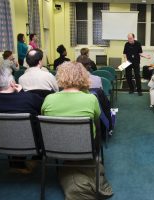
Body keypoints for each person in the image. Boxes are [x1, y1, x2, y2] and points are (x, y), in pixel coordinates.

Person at [41, 61, 113, 199]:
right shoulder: (91, 99)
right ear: (84, 77)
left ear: (60, 76)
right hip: (85, 148)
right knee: (95, 125)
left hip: (54, 148)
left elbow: (45, 117)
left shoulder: (49, 99)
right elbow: (97, 121)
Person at [0, 67, 43, 174]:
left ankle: (16, 163)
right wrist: (22, 92)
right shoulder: (29, 98)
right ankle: (34, 160)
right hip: (30, 142)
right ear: (12, 83)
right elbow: (43, 110)